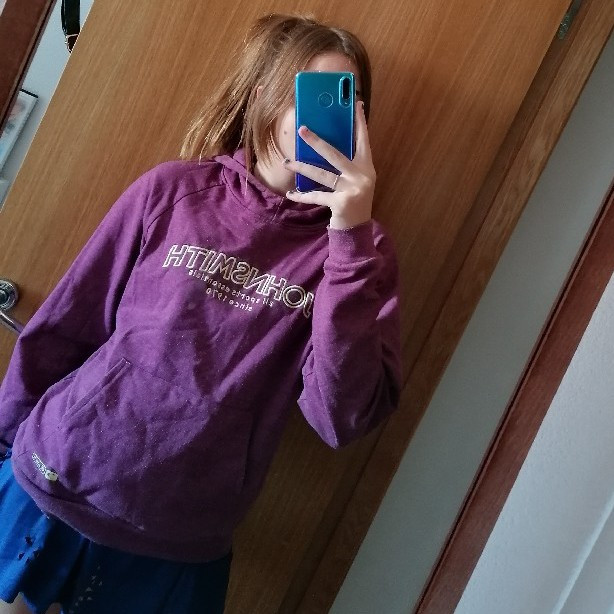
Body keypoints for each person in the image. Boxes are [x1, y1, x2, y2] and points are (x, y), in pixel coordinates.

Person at [0, 11, 402, 614]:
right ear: (264, 95)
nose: (328, 119)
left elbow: (340, 419)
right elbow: (65, 325)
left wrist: (348, 238)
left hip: (177, 543)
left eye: (347, 102)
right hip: (50, 478)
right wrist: (3, 442)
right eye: (311, 95)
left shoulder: (361, 255)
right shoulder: (173, 191)